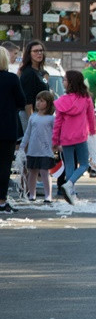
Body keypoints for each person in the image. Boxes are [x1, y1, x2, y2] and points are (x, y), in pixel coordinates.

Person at [52, 70, 96, 204]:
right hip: (81, 136)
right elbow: (91, 117)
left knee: (69, 165)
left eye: (65, 80)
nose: (63, 82)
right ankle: (69, 185)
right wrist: (93, 132)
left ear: (70, 83)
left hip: (66, 138)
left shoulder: (61, 101)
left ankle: (70, 191)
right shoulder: (86, 98)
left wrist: (55, 140)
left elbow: (57, 123)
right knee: (84, 164)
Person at [0, 49, 27, 213]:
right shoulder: (11, 79)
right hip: (6, 128)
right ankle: (2, 201)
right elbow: (21, 101)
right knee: (3, 166)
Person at [21, 90, 56, 204]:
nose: (38, 103)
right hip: (33, 150)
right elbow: (28, 133)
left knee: (45, 172)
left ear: (48, 103)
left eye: (42, 101)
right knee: (32, 172)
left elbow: (55, 133)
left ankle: (48, 195)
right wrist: (23, 145)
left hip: (45, 149)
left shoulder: (51, 118)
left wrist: (56, 145)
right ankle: (32, 194)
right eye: (37, 100)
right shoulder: (33, 117)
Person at [19, 40, 49, 128]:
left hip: (41, 114)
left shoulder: (40, 72)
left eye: (41, 50)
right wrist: (32, 120)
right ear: (29, 54)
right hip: (31, 114)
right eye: (35, 51)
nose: (39, 53)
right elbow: (27, 100)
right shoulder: (28, 72)